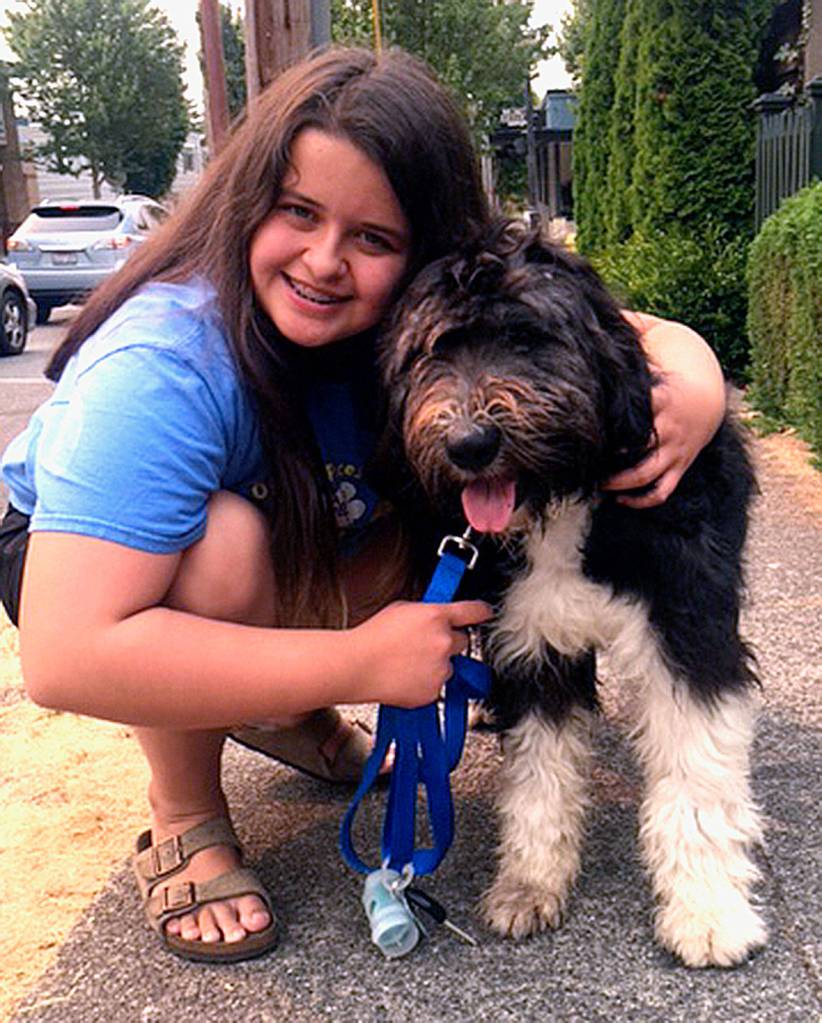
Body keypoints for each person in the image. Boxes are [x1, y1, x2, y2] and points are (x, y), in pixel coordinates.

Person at [0, 46, 726, 964]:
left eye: (373, 238)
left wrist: (691, 365)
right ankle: (185, 811)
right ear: (245, 200)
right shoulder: (162, 366)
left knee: (422, 510)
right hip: (89, 567)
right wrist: (355, 659)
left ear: (425, 253)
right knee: (223, 546)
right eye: (297, 212)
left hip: (308, 524)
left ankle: (287, 710)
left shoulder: (407, 307)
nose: (325, 261)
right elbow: (65, 658)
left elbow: (564, 310)